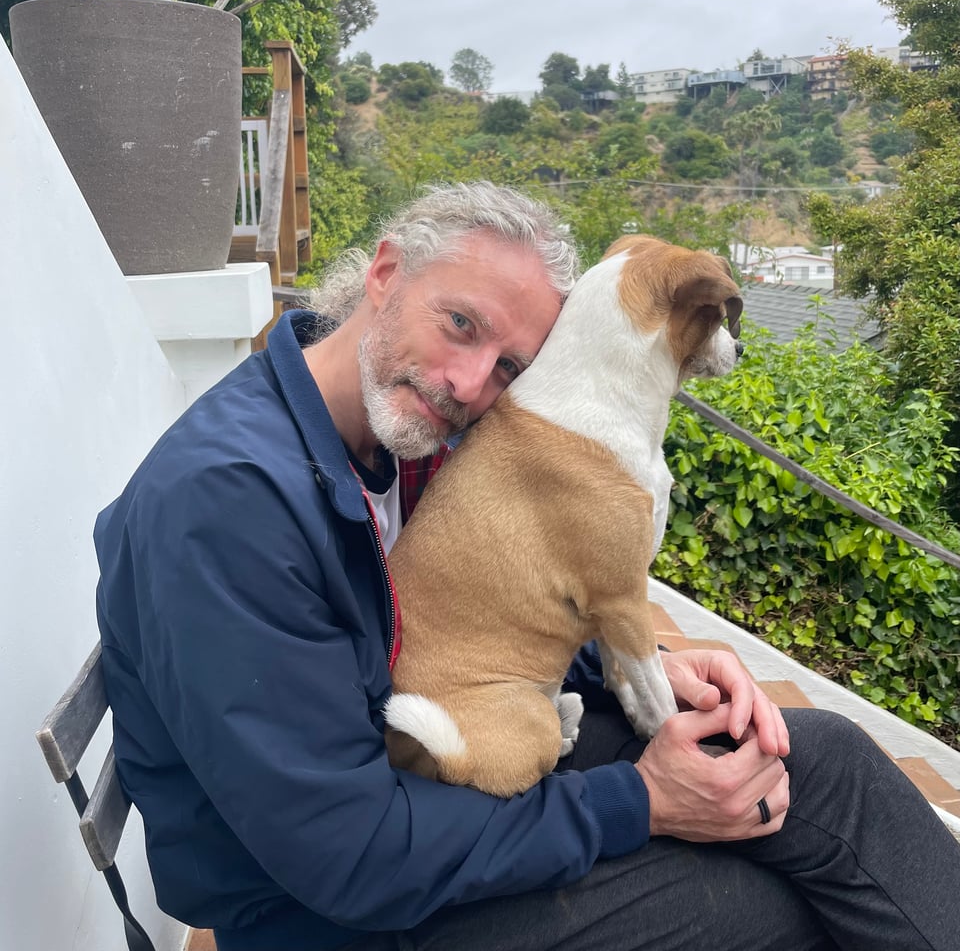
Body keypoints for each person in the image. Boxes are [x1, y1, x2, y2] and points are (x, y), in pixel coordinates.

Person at [94, 181, 960, 951]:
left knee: (826, 762)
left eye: (509, 364)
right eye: (461, 324)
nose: (472, 383)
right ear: (385, 274)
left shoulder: (389, 436)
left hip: (433, 769)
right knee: (778, 899)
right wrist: (643, 802)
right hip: (348, 908)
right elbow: (346, 855)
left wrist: (642, 668)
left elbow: (483, 608)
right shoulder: (226, 507)